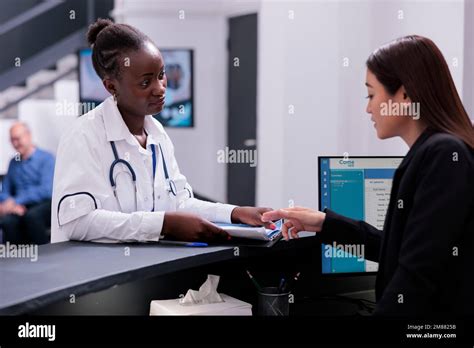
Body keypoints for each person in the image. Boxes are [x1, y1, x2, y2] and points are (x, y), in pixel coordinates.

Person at [262, 35, 474, 316]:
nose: (368, 107)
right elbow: (399, 251)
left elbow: (416, 275)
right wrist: (325, 223)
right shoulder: (435, 152)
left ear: (405, 94)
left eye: (372, 95)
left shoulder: (443, 154)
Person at [51, 18, 274, 244]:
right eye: (145, 83)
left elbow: (179, 202)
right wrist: (164, 224)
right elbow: (76, 223)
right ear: (111, 87)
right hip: (100, 275)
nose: (160, 89)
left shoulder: (156, 133)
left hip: (147, 271)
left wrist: (234, 213)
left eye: (160, 75)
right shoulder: (83, 135)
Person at [0, 122, 55, 245]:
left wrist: (17, 201)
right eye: (12, 140)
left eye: (18, 139)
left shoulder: (47, 158)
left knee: (32, 217)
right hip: (19, 207)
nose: (15, 143)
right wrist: (11, 205)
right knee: (8, 222)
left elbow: (46, 190)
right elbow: (5, 191)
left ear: (28, 135)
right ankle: (18, 260)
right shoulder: (13, 162)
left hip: (43, 204)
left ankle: (45, 257)